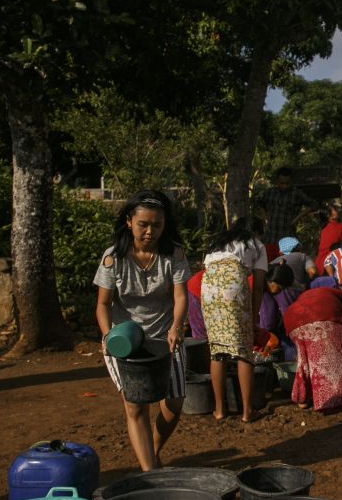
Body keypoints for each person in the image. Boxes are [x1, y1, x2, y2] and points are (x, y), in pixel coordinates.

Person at [93, 190, 191, 471]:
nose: (150, 231)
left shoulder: (174, 253)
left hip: (166, 337)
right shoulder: (113, 258)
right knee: (135, 406)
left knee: (174, 404)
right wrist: (107, 334)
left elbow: (181, 296)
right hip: (124, 340)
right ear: (129, 222)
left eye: (157, 225)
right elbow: (102, 304)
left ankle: (153, 449)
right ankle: (150, 473)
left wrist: (177, 326)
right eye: (143, 225)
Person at [201, 216, 268, 422]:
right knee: (243, 350)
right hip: (233, 287)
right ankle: (248, 411)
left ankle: (220, 410)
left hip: (209, 289)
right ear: (256, 231)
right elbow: (258, 286)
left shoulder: (217, 243)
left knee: (217, 350)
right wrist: (254, 318)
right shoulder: (256, 244)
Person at [282, 286, 342, 422]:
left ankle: (303, 401)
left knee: (306, 364)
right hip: (325, 314)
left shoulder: (306, 297)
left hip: (292, 320)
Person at [258, 262, 301, 362]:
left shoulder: (264, 288)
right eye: (280, 288)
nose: (280, 292)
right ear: (272, 282)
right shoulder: (263, 292)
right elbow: (268, 320)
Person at [261, 167, 316, 244]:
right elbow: (260, 203)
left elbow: (313, 205)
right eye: (282, 183)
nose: (284, 186)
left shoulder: (296, 194)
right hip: (270, 237)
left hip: (287, 238)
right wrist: (265, 218)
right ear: (277, 181)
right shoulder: (270, 193)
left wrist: (296, 219)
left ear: (291, 181)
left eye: (287, 183)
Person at [315, 202, 342, 271]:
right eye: (335, 209)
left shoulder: (323, 229)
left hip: (319, 264)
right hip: (333, 263)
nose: (338, 211)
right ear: (330, 216)